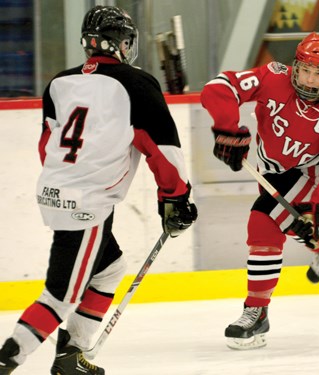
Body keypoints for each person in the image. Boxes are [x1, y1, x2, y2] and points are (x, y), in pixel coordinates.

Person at [0, 5, 197, 375]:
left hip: (57, 193)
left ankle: (70, 355)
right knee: (62, 294)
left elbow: (48, 146)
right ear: (120, 43)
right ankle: (7, 357)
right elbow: (162, 149)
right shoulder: (137, 83)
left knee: (109, 269)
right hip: (87, 204)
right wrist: (175, 198)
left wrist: (71, 181)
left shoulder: (59, 82)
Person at [200, 32, 319, 350]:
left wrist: (318, 206)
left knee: (262, 221)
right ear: (295, 66)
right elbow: (220, 87)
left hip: (308, 175)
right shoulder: (272, 77)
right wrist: (227, 129)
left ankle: (256, 311)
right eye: (306, 71)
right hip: (270, 170)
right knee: (276, 224)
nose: (311, 81)